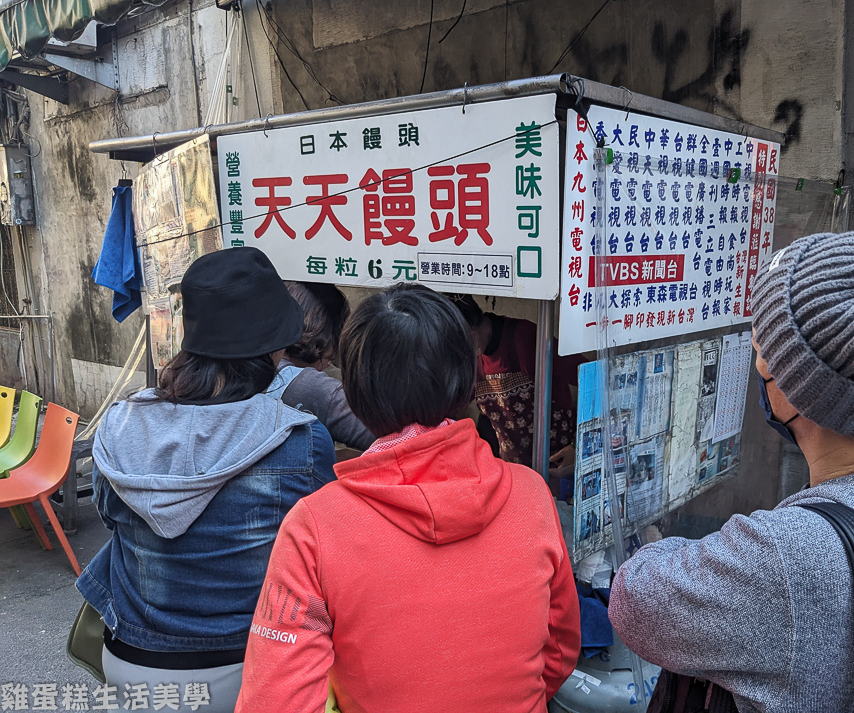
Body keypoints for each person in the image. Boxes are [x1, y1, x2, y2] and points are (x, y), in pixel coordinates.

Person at [608, 228, 854, 711]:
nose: (756, 358)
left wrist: (665, 547)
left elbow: (634, 603)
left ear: (792, 388)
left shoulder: (785, 557)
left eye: (760, 348)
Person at [236, 284, 581, 713]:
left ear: (356, 392)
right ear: (464, 379)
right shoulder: (531, 494)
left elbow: (276, 700)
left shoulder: (315, 526)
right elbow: (561, 648)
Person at [76, 248, 336, 712]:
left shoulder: (119, 425)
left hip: (129, 658)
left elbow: (111, 516)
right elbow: (324, 558)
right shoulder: (300, 440)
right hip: (246, 665)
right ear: (277, 347)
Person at [449, 294, 582, 471]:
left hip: (557, 464)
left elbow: (591, 377)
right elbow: (453, 407)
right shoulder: (473, 359)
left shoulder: (525, 338)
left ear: (472, 337)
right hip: (513, 469)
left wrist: (577, 446)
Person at [265, 281, 374, 450]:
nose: (326, 365)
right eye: (329, 359)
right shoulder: (315, 389)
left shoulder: (249, 365)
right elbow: (388, 435)